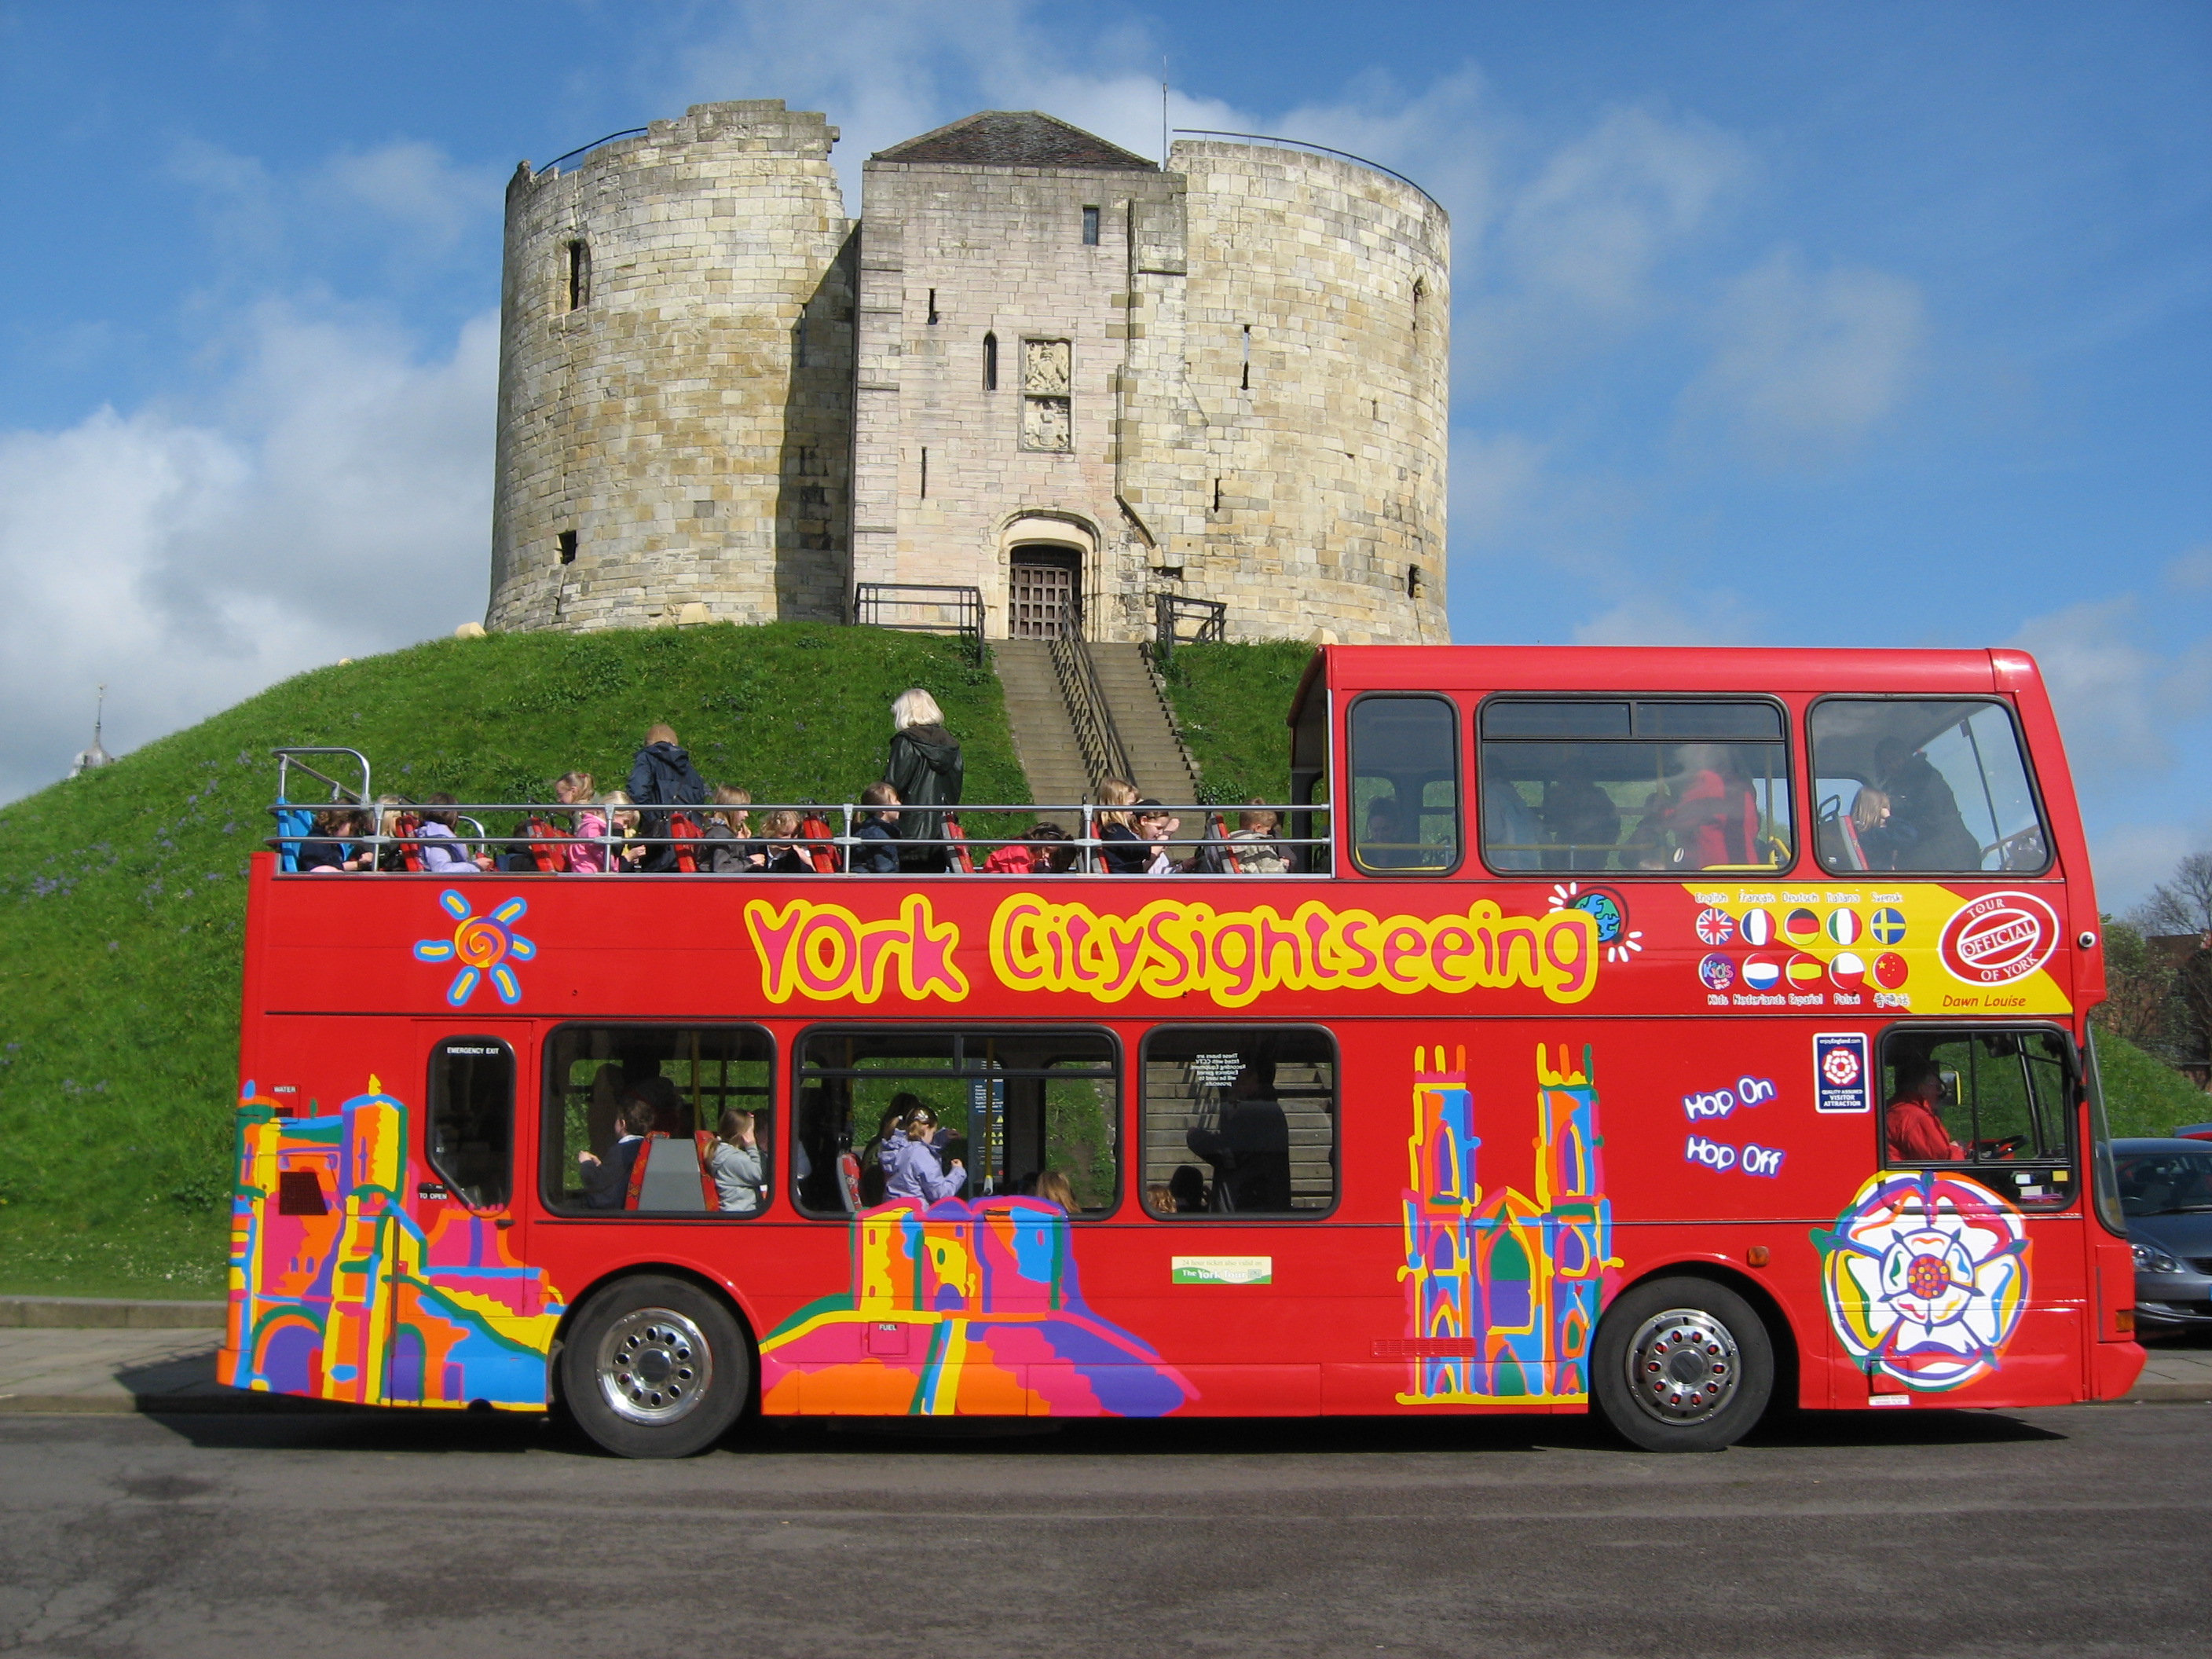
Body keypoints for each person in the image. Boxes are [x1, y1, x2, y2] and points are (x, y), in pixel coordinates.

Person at [1185, 1056, 1292, 1211]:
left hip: (1243, 1207)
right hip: (1260, 1203)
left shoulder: (1253, 1112)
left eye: (1238, 1076)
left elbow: (1229, 1154)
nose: (1233, 1083)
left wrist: (1195, 1137)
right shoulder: (1269, 1110)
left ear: (1253, 1078)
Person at [883, 687, 964, 873]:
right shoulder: (952, 745)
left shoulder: (906, 742)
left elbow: (892, 785)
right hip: (942, 831)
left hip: (910, 828)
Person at [1876, 738, 1982, 871]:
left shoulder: (1927, 777)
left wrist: (1899, 822)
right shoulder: (1889, 791)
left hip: (1950, 850)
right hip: (1924, 859)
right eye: (1887, 762)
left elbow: (1935, 816)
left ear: (1904, 755)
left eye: (1896, 758)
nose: (1893, 765)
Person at [1654, 746, 1761, 870]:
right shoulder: (1744, 787)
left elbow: (1682, 818)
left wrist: (1659, 810)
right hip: (1747, 870)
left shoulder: (1708, 780)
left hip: (1715, 869)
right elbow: (1754, 828)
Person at [626, 723, 708, 872]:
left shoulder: (648, 758)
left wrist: (652, 820)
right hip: (689, 841)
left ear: (649, 744)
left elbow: (637, 791)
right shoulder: (688, 767)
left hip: (660, 843)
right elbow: (699, 801)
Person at [579, 1096, 657, 1209]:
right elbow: (619, 1174)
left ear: (622, 1124)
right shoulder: (645, 1148)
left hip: (611, 1207)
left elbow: (596, 1181)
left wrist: (586, 1163)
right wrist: (600, 1166)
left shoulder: (622, 1150)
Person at [1541, 762, 1620, 871]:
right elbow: (1550, 824)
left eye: (1566, 781)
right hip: (1565, 851)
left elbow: (1582, 826)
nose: (1561, 785)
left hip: (1589, 850)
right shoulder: (1567, 798)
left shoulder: (1598, 800)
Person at [881, 1105, 965, 1202]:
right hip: (915, 1213)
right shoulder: (921, 1154)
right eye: (933, 1133)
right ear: (926, 1128)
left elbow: (916, 1147)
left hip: (891, 1210)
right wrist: (957, 1172)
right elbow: (941, 1193)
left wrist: (942, 1138)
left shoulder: (893, 1147)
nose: (933, 1137)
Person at [1885, 1062, 1965, 1163]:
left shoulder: (1895, 1108)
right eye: (1938, 1087)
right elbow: (1943, 1163)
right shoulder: (1916, 1116)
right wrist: (1957, 1149)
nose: (1940, 1093)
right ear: (1921, 1087)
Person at [416, 794, 494, 874]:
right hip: (442, 885)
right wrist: (476, 866)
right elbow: (441, 870)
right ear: (452, 815)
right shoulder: (436, 836)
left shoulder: (435, 833)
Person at [707, 1108, 764, 1214]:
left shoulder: (731, 1154)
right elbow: (761, 1175)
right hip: (741, 1214)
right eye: (752, 1130)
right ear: (743, 1134)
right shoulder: (731, 1159)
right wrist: (752, 1146)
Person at [703, 786, 763, 873]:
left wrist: (740, 843)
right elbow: (721, 869)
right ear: (731, 810)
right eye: (743, 809)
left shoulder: (724, 832)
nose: (747, 815)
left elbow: (733, 860)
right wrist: (750, 861)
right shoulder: (721, 834)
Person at [552, 771, 604, 873]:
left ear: (573, 791)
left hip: (588, 866)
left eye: (560, 795)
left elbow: (580, 839)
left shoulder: (580, 813)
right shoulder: (596, 801)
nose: (559, 800)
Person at [1094, 778, 1148, 873]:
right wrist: (1165, 836)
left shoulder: (1109, 829)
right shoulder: (1114, 830)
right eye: (1131, 805)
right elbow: (1141, 851)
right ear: (1116, 804)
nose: (1133, 810)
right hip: (1122, 881)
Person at [297, 807, 370, 873]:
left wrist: (358, 865)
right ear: (340, 822)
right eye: (352, 829)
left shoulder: (330, 842)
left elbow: (333, 866)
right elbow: (319, 870)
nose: (352, 834)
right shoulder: (316, 842)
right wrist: (357, 865)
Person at [853, 782, 902, 873]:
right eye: (895, 800)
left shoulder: (872, 828)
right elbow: (885, 870)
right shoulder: (879, 835)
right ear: (883, 808)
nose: (899, 804)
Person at [1228, 801, 1289, 873]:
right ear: (1258, 828)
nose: (1267, 834)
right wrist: (1284, 864)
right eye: (1267, 830)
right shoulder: (1259, 843)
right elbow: (1272, 870)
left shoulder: (1232, 837)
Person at [1849, 786, 1895, 871]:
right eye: (1884, 809)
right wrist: (1889, 818)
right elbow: (1908, 835)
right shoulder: (1877, 835)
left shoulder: (1854, 833)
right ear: (1878, 811)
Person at [1134, 800, 1183, 874]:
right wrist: (1165, 835)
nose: (1160, 833)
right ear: (1144, 821)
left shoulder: (1154, 845)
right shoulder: (1134, 842)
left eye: (1163, 829)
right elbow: (1140, 869)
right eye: (1158, 828)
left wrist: (1183, 866)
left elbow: (1161, 871)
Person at [602, 792, 648, 872]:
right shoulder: (597, 830)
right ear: (614, 814)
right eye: (625, 822)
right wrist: (629, 857)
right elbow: (608, 864)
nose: (625, 827)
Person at [758, 809, 815, 874]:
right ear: (772, 830)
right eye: (785, 834)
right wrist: (750, 862)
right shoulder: (754, 846)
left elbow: (812, 875)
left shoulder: (793, 857)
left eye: (794, 835)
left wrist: (806, 860)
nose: (789, 839)